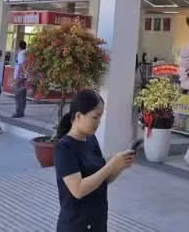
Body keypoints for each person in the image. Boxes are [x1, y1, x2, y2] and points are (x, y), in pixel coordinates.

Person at [54, 89, 135, 232]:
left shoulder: (91, 140)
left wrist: (120, 165)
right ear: (78, 116)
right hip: (76, 225)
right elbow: (78, 190)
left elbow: (102, 179)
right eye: (95, 117)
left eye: (100, 117)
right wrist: (111, 165)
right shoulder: (64, 148)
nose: (98, 122)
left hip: (97, 222)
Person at [12, 41, 28, 118]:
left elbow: (21, 66)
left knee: (18, 95)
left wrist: (18, 78)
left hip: (20, 77)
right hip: (23, 77)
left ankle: (18, 112)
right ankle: (22, 111)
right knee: (23, 95)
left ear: (19, 46)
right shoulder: (26, 53)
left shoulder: (21, 54)